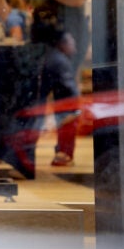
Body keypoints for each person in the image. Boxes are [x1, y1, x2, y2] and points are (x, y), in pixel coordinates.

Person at [37, 28, 81, 167]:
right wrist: (79, 105)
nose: (74, 45)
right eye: (71, 43)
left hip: (55, 101)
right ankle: (64, 154)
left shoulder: (55, 57)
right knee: (68, 124)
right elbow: (68, 87)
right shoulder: (60, 61)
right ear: (62, 44)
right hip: (64, 102)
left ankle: (62, 153)